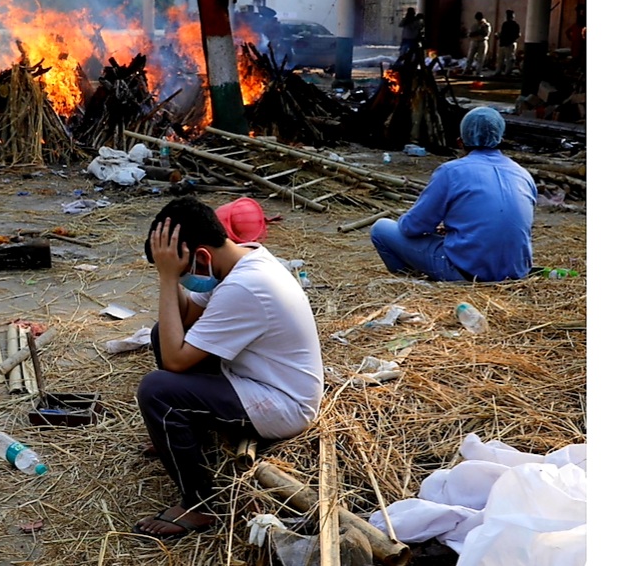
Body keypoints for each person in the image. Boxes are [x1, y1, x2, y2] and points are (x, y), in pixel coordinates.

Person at [132, 196, 323, 541]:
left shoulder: (245, 286)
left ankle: (199, 505)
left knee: (156, 391)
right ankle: (185, 433)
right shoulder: (241, 259)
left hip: (283, 403)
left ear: (202, 256)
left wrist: (165, 278)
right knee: (165, 332)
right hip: (256, 379)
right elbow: (187, 317)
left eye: (184, 270)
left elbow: (176, 360)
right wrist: (173, 274)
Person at [369, 107, 536, 282]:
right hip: (515, 274)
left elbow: (412, 227)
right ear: (500, 139)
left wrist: (421, 225)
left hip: (467, 273)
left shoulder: (451, 171)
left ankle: (411, 283)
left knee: (381, 229)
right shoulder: (523, 174)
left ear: (460, 142)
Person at [495, 10, 521, 76]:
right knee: (503, 59)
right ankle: (502, 72)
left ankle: (505, 72)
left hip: (508, 44)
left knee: (508, 59)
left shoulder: (513, 25)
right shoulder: (507, 24)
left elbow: (516, 35)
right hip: (505, 43)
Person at [465, 12, 491, 76]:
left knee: (481, 58)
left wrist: (477, 32)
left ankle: (478, 72)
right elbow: (470, 34)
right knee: (470, 57)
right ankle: (467, 70)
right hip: (474, 41)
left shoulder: (486, 25)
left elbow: (485, 34)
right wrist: (477, 32)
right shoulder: (475, 25)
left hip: (482, 41)